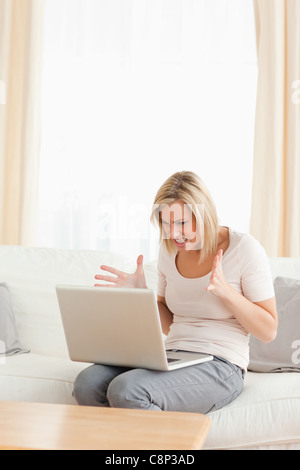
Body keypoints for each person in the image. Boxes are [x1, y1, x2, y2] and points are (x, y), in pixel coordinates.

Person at [73, 171, 278, 414]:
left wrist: (227, 293)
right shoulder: (169, 250)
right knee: (87, 384)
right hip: (174, 354)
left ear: (205, 216)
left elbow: (268, 331)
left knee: (128, 390)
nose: (174, 234)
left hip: (222, 364)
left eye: (181, 223)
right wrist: (141, 294)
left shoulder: (244, 249)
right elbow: (169, 325)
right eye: (166, 223)